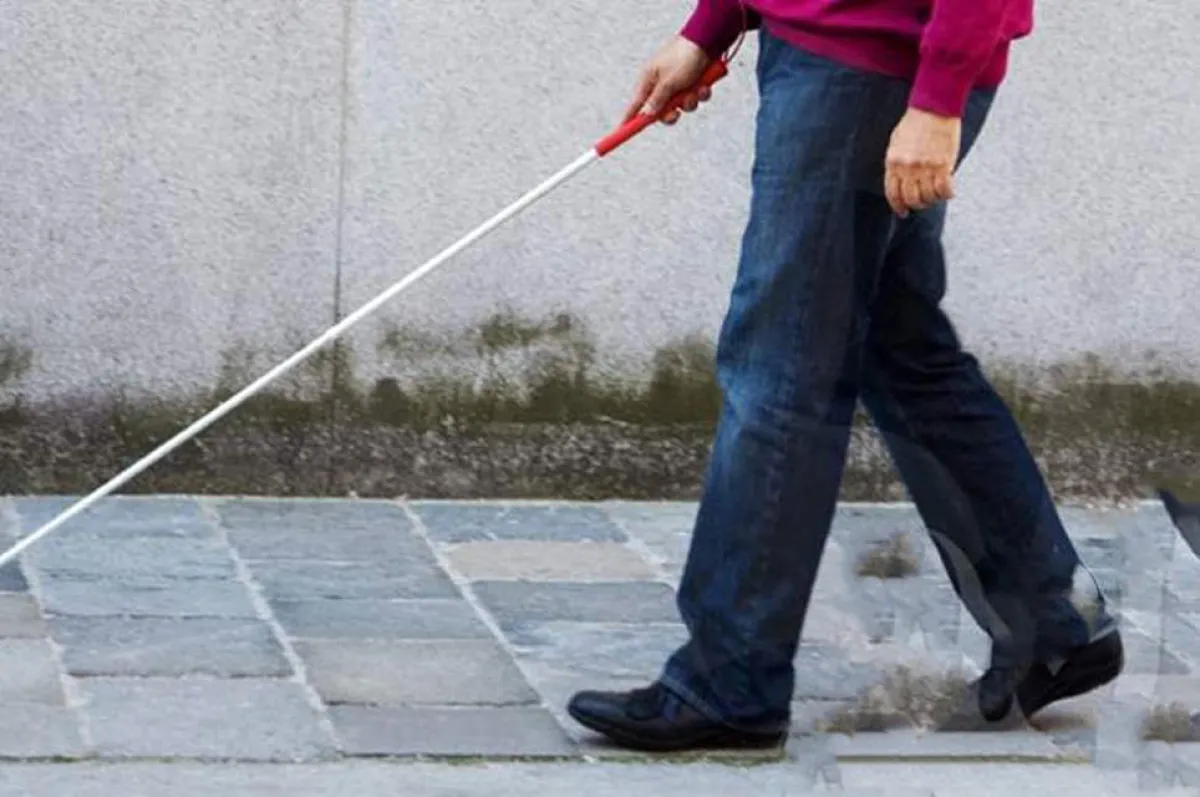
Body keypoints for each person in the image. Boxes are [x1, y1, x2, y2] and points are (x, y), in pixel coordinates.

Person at [568, 0, 1124, 752]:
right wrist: (711, 25)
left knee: (780, 368)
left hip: (866, 67)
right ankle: (1051, 620)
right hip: (841, 57)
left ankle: (731, 678)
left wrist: (937, 99)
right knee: (902, 354)